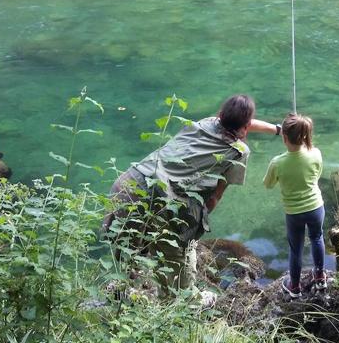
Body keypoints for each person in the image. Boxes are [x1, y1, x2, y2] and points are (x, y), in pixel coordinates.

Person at [103, 94, 280, 293]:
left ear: (220, 115)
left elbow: (242, 122)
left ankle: (128, 298)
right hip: (162, 201)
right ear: (246, 126)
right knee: (179, 268)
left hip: (128, 183)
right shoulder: (239, 152)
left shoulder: (206, 123)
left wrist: (276, 129)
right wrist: (191, 231)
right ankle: (185, 303)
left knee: (129, 258)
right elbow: (215, 197)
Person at [263, 113, 326, 298]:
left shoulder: (278, 162)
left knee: (296, 249)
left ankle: (295, 286)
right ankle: (320, 276)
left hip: (294, 213)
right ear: (306, 135)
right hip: (316, 207)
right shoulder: (316, 153)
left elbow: (268, 185)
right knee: (317, 238)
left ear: (284, 137)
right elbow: (317, 174)